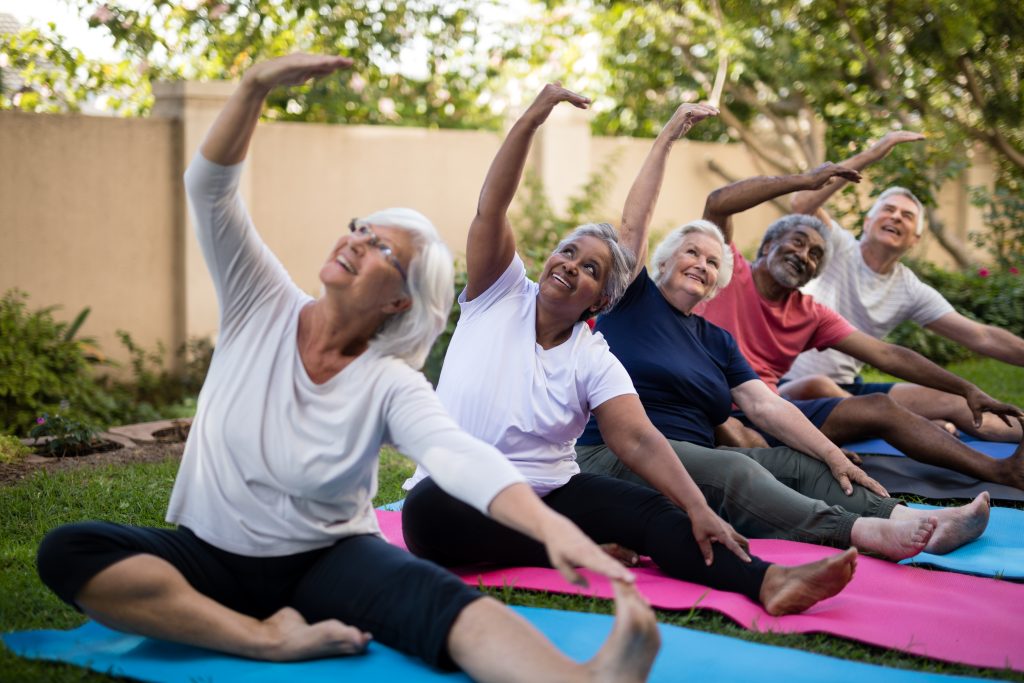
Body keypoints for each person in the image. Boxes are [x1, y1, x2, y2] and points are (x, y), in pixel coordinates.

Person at [34, 54, 667, 683]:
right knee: (72, 550)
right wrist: (253, 87)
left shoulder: (387, 380)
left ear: (401, 300)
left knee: (445, 605)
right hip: (210, 552)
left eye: (381, 247)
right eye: (360, 229)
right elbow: (209, 188)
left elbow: (456, 456)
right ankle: (263, 638)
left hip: (328, 560)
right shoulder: (262, 304)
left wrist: (548, 528)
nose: (356, 241)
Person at [402, 86, 863, 619]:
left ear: (602, 298)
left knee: (653, 509)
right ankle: (573, 548)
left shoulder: (593, 356)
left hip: (549, 491)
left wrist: (695, 506)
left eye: (591, 268)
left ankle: (766, 580)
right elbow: (493, 205)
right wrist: (532, 117)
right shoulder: (497, 296)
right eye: (568, 252)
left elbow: (639, 439)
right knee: (427, 514)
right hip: (456, 496)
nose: (571, 265)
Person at [573, 127, 988, 557]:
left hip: (693, 462)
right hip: (616, 455)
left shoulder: (717, 341)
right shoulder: (632, 297)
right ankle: (859, 532)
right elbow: (634, 222)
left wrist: (832, 454)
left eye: (713, 262)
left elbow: (765, 406)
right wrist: (666, 141)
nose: (702, 264)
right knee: (733, 467)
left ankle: (908, 517)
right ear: (664, 258)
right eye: (691, 252)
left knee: (799, 462)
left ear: (720, 280)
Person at [694, 166, 1024, 491]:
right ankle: (795, 455)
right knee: (735, 433)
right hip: (711, 407)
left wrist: (967, 390)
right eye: (796, 243)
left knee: (880, 406)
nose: (804, 256)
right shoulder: (727, 270)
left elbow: (888, 355)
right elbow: (718, 203)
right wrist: (805, 181)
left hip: (770, 414)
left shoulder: (812, 314)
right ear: (767, 247)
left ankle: (1001, 470)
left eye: (815, 256)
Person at [779, 131, 1023, 443]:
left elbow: (982, 336)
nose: (896, 216)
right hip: (788, 386)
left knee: (956, 401)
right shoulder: (835, 245)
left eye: (907, 216)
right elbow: (801, 204)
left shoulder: (908, 288)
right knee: (819, 386)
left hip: (848, 389)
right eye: (888, 209)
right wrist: (870, 155)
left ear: (915, 239)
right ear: (868, 223)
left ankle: (908, 422)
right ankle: (909, 424)